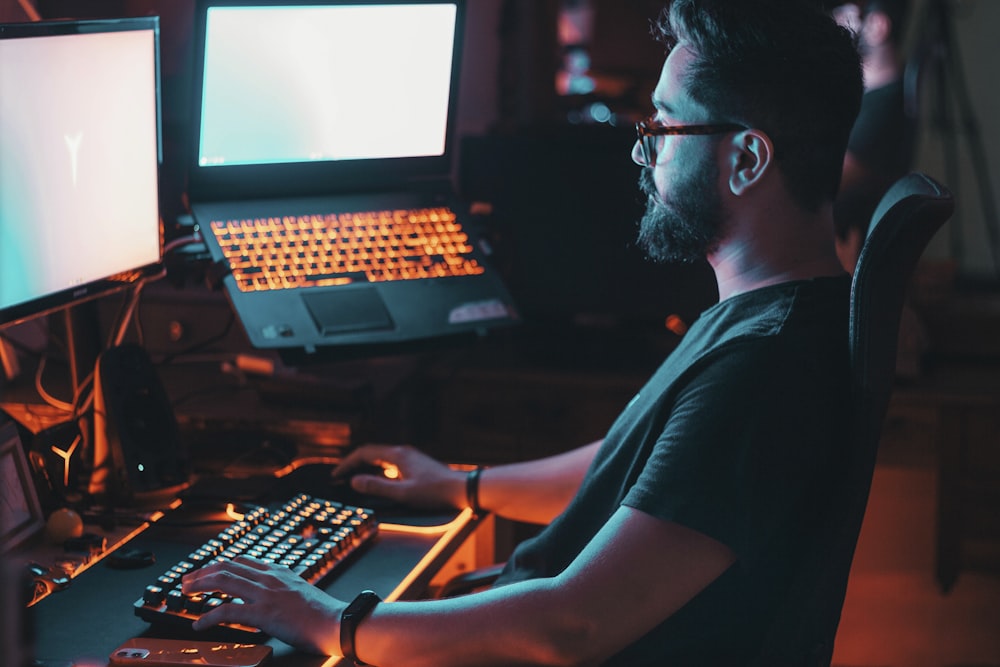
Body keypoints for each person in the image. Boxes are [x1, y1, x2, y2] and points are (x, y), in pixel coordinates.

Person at [182, 1, 864, 664]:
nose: (640, 153)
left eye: (663, 126)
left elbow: (570, 625)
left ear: (746, 160)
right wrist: (464, 484)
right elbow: (642, 474)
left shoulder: (763, 368)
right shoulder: (772, 318)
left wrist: (331, 622)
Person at [832, 0, 916, 272]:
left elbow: (836, 180)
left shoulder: (887, 106)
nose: (838, 19)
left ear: (878, 26)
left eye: (850, 14)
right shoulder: (866, 94)